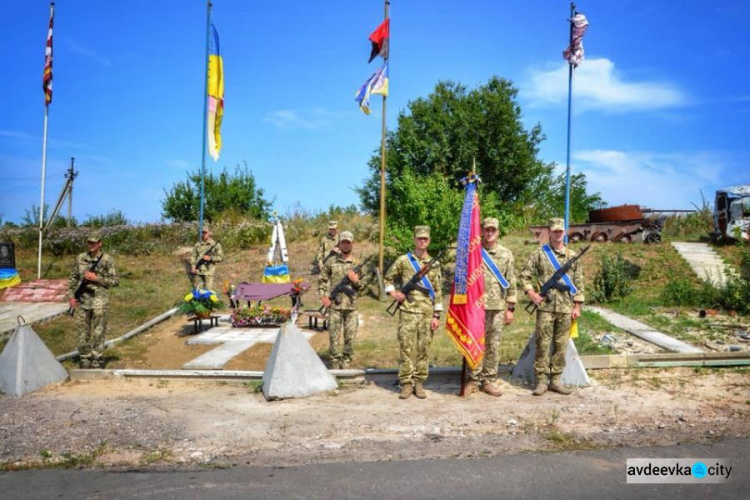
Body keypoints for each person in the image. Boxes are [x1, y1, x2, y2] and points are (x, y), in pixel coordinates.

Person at [520, 217, 585, 396]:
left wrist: (577, 305)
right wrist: (531, 293)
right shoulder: (540, 253)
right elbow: (524, 275)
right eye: (554, 231)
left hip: (565, 308)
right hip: (545, 307)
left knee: (561, 345)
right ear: (549, 232)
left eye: (560, 231)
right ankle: (541, 381)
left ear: (564, 233)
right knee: (542, 344)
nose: (557, 234)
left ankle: (555, 380)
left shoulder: (572, 256)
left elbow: (579, 282)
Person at [384, 225, 443, 400]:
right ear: (414, 240)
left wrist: (436, 315)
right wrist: (393, 293)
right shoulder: (404, 260)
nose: (422, 241)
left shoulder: (434, 263)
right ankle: (406, 383)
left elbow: (438, 290)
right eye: (419, 238)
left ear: (429, 241)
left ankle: (419, 382)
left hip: (426, 312)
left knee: (424, 349)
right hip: (408, 312)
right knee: (406, 349)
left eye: (425, 238)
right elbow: (388, 277)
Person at [465, 217, 517, 397]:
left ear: (498, 232)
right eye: (487, 230)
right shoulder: (474, 253)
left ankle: (488, 380)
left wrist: (510, 309)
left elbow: (511, 282)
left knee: (493, 345)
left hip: (497, 308)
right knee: (475, 343)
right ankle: (473, 379)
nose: (489, 233)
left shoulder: (506, 254)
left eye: (493, 230)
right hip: (476, 308)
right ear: (482, 231)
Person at [68, 231, 119, 369]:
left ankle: (97, 358)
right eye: (89, 242)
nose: (91, 245)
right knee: (82, 331)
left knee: (98, 330)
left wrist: (96, 279)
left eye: (93, 242)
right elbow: (73, 278)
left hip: (99, 300)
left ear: (100, 243)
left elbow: (115, 281)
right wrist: (71, 297)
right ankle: (84, 357)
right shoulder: (80, 258)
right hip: (82, 300)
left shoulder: (107, 260)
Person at [318, 231, 361, 369]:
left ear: (352, 243)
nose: (346, 244)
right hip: (335, 306)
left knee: (350, 336)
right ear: (339, 243)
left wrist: (356, 282)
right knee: (333, 336)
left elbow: (363, 287)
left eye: (348, 242)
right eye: (343, 242)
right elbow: (322, 280)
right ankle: (335, 361)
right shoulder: (331, 261)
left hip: (351, 307)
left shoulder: (357, 263)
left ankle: (347, 359)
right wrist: (324, 297)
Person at [190, 222, 224, 291]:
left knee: (208, 292)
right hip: (198, 271)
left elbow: (221, 257)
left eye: (205, 232)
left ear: (210, 233)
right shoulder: (197, 244)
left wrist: (210, 258)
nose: (204, 234)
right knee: (197, 291)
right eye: (202, 232)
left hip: (209, 272)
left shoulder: (215, 244)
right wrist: (193, 267)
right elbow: (193, 256)